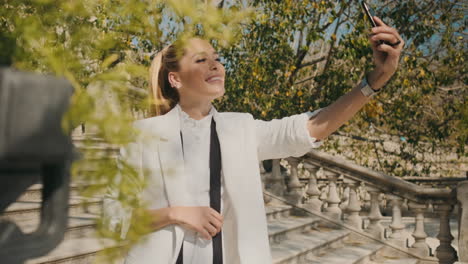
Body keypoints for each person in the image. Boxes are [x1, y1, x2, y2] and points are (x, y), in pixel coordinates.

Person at [104, 16, 404, 264]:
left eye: (217, 59)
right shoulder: (141, 136)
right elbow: (113, 219)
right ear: (175, 79)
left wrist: (375, 80)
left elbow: (311, 127)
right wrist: (176, 213)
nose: (216, 65)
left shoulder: (242, 128)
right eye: (201, 60)